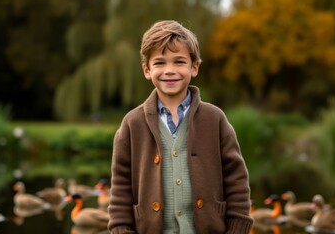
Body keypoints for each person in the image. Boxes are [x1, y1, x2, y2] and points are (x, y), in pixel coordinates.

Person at [108, 20, 254, 234]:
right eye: (159, 63)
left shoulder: (215, 120)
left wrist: (236, 230)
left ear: (194, 67)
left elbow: (237, 182)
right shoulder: (132, 124)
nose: (169, 71)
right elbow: (120, 189)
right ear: (147, 70)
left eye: (179, 62)